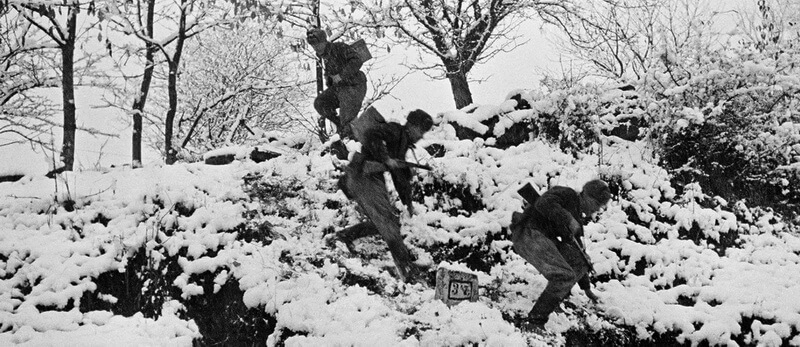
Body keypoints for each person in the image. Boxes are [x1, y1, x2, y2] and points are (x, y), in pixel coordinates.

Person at [328, 109, 434, 284]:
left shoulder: (401, 142)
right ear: (413, 126)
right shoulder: (394, 130)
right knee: (387, 223)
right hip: (363, 176)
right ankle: (407, 271)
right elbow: (371, 135)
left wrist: (408, 202)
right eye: (421, 131)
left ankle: (341, 238)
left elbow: (400, 176)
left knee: (386, 222)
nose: (421, 136)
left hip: (369, 178)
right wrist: (386, 158)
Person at [510, 179, 611, 330]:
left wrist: (586, 288)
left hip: (543, 238)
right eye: (596, 204)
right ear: (586, 195)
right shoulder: (567, 194)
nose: (596, 209)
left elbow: (578, 253)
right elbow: (543, 203)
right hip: (528, 234)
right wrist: (567, 219)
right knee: (564, 276)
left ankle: (554, 299)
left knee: (579, 261)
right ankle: (534, 322)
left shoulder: (577, 218)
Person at [306, 27, 368, 157]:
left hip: (354, 85)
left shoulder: (339, 48)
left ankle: (356, 147)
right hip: (340, 89)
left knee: (348, 117)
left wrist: (341, 75)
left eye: (318, 44)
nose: (316, 48)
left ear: (324, 41)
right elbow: (331, 78)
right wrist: (329, 79)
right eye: (313, 46)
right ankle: (342, 128)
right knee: (320, 103)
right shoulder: (326, 57)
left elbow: (356, 60)